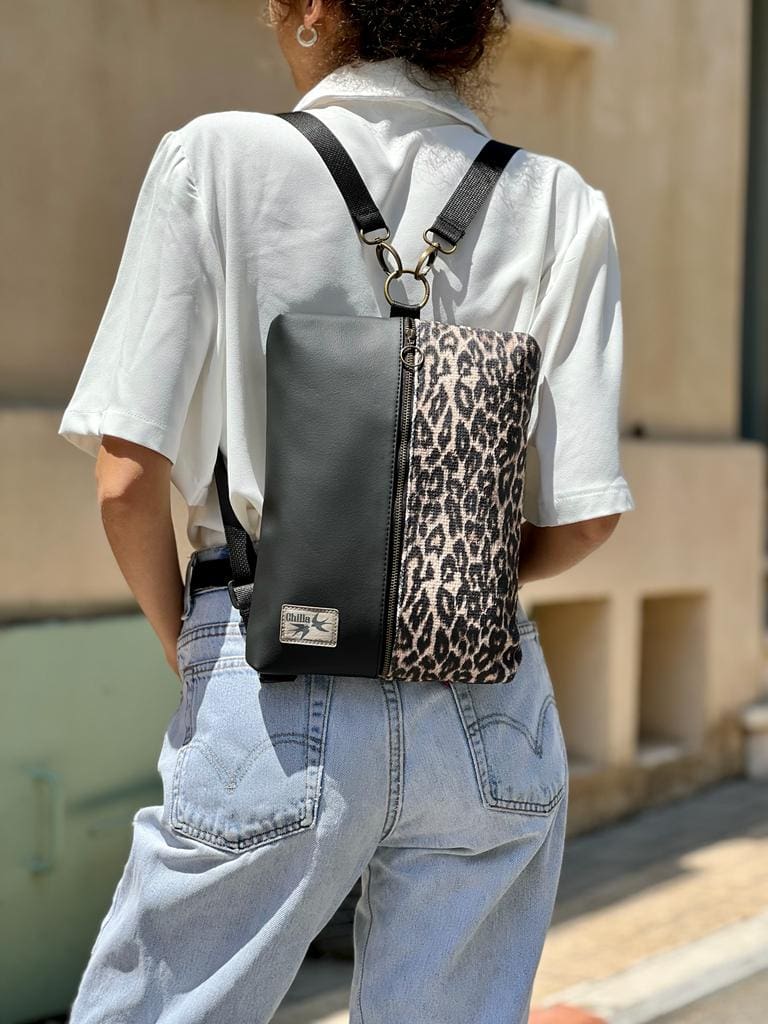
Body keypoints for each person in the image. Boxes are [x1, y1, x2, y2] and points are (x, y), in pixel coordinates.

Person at [57, 1, 635, 1021]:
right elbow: (587, 516)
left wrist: (195, 653)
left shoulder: (216, 160)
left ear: (317, 10)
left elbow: (126, 476)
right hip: (486, 699)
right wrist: (445, 585)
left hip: (274, 674)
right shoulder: (559, 201)